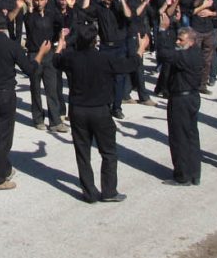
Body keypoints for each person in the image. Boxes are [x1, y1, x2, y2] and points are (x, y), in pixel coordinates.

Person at [53, 24, 149, 203]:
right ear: (95, 41)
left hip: (78, 110)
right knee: (109, 152)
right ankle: (109, 191)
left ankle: (89, 193)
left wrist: (60, 44)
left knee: (83, 153)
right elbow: (131, 64)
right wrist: (141, 48)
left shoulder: (71, 58)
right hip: (100, 111)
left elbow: (56, 60)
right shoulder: (105, 58)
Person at [0, 10, 51, 191]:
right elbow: (30, 70)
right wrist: (41, 54)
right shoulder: (12, 45)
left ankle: (4, 168)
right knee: (3, 138)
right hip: (5, 95)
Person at [9, 0, 67, 132]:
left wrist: (59, 43)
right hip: (34, 55)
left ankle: (55, 121)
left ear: (46, 0)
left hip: (50, 55)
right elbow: (27, 24)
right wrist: (28, 6)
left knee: (52, 89)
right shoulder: (30, 14)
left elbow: (61, 27)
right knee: (35, 89)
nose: (39, 3)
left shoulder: (52, 14)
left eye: (41, 0)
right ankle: (38, 119)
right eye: (36, 0)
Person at [156, 16, 204, 186]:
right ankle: (194, 172)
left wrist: (162, 31)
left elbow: (164, 53)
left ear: (190, 42)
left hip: (182, 99)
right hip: (191, 97)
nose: (177, 42)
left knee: (179, 137)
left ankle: (183, 175)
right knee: (191, 136)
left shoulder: (186, 56)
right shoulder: (195, 52)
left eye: (181, 40)